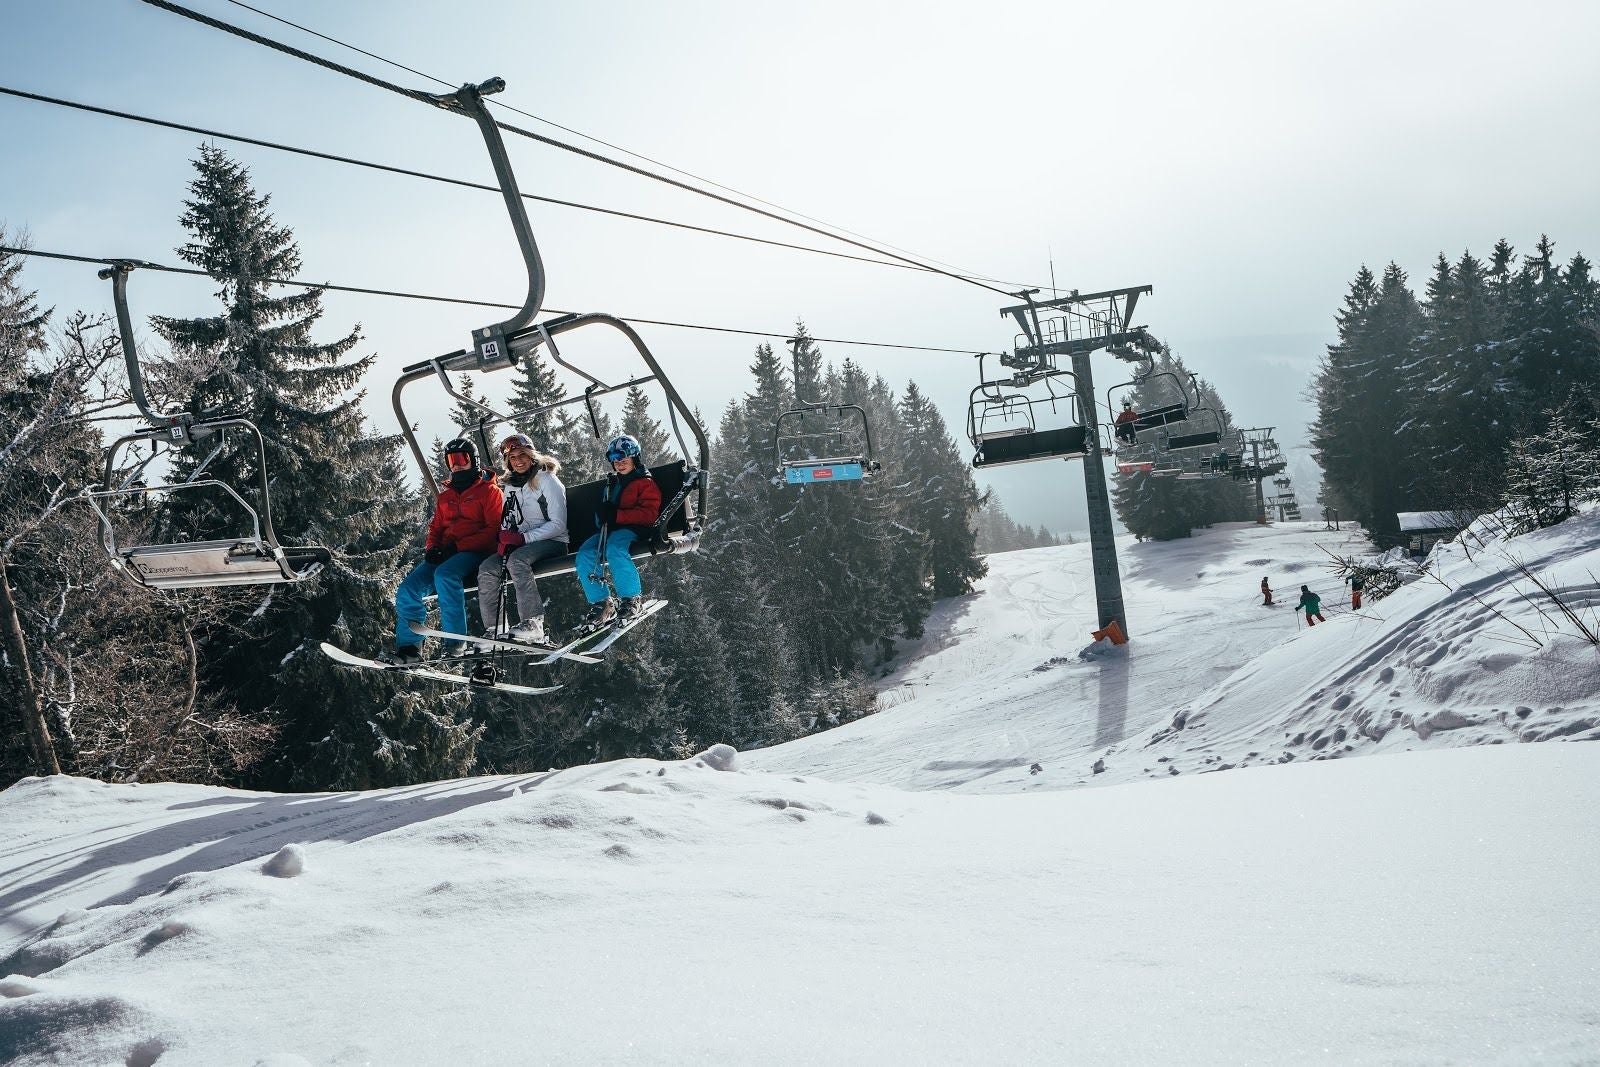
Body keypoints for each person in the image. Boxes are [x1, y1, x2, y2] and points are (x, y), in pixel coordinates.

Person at [389, 437, 503, 661]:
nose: (457, 465)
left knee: (445, 575)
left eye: (461, 458)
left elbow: (493, 531)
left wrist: (458, 547)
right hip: (447, 554)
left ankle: (455, 641)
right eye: (451, 460)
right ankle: (410, 648)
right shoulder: (446, 497)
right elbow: (436, 528)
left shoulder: (489, 492)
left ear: (474, 460)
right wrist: (432, 547)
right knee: (407, 590)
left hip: (476, 552)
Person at [478, 432, 568, 645]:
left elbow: (558, 525)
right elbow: (510, 518)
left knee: (516, 561)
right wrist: (505, 537)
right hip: (523, 543)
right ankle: (495, 628)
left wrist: (524, 539)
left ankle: (533, 623)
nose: (518, 461)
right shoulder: (510, 485)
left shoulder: (547, 480)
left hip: (554, 541)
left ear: (531, 455)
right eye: (512, 458)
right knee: (487, 568)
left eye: (522, 455)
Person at [574, 433, 661, 629]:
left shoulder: (645, 483)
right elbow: (604, 516)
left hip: (634, 529)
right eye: (614, 459)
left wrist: (617, 516)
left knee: (615, 549)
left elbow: (648, 514)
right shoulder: (612, 484)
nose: (619, 463)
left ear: (634, 458)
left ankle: (631, 598)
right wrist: (602, 515)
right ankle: (602, 603)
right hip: (611, 529)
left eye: (623, 458)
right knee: (585, 554)